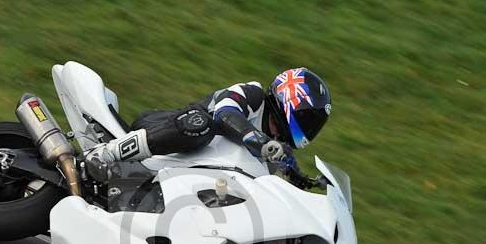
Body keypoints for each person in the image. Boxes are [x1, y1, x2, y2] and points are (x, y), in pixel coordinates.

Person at [85, 67, 332, 189]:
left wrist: (307, 183)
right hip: (165, 131)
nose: (307, 128)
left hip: (189, 171)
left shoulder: (279, 147)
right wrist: (257, 141)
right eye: (306, 118)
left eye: (313, 124)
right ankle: (108, 153)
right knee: (202, 124)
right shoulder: (253, 95)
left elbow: (290, 173)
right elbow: (225, 113)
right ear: (287, 101)